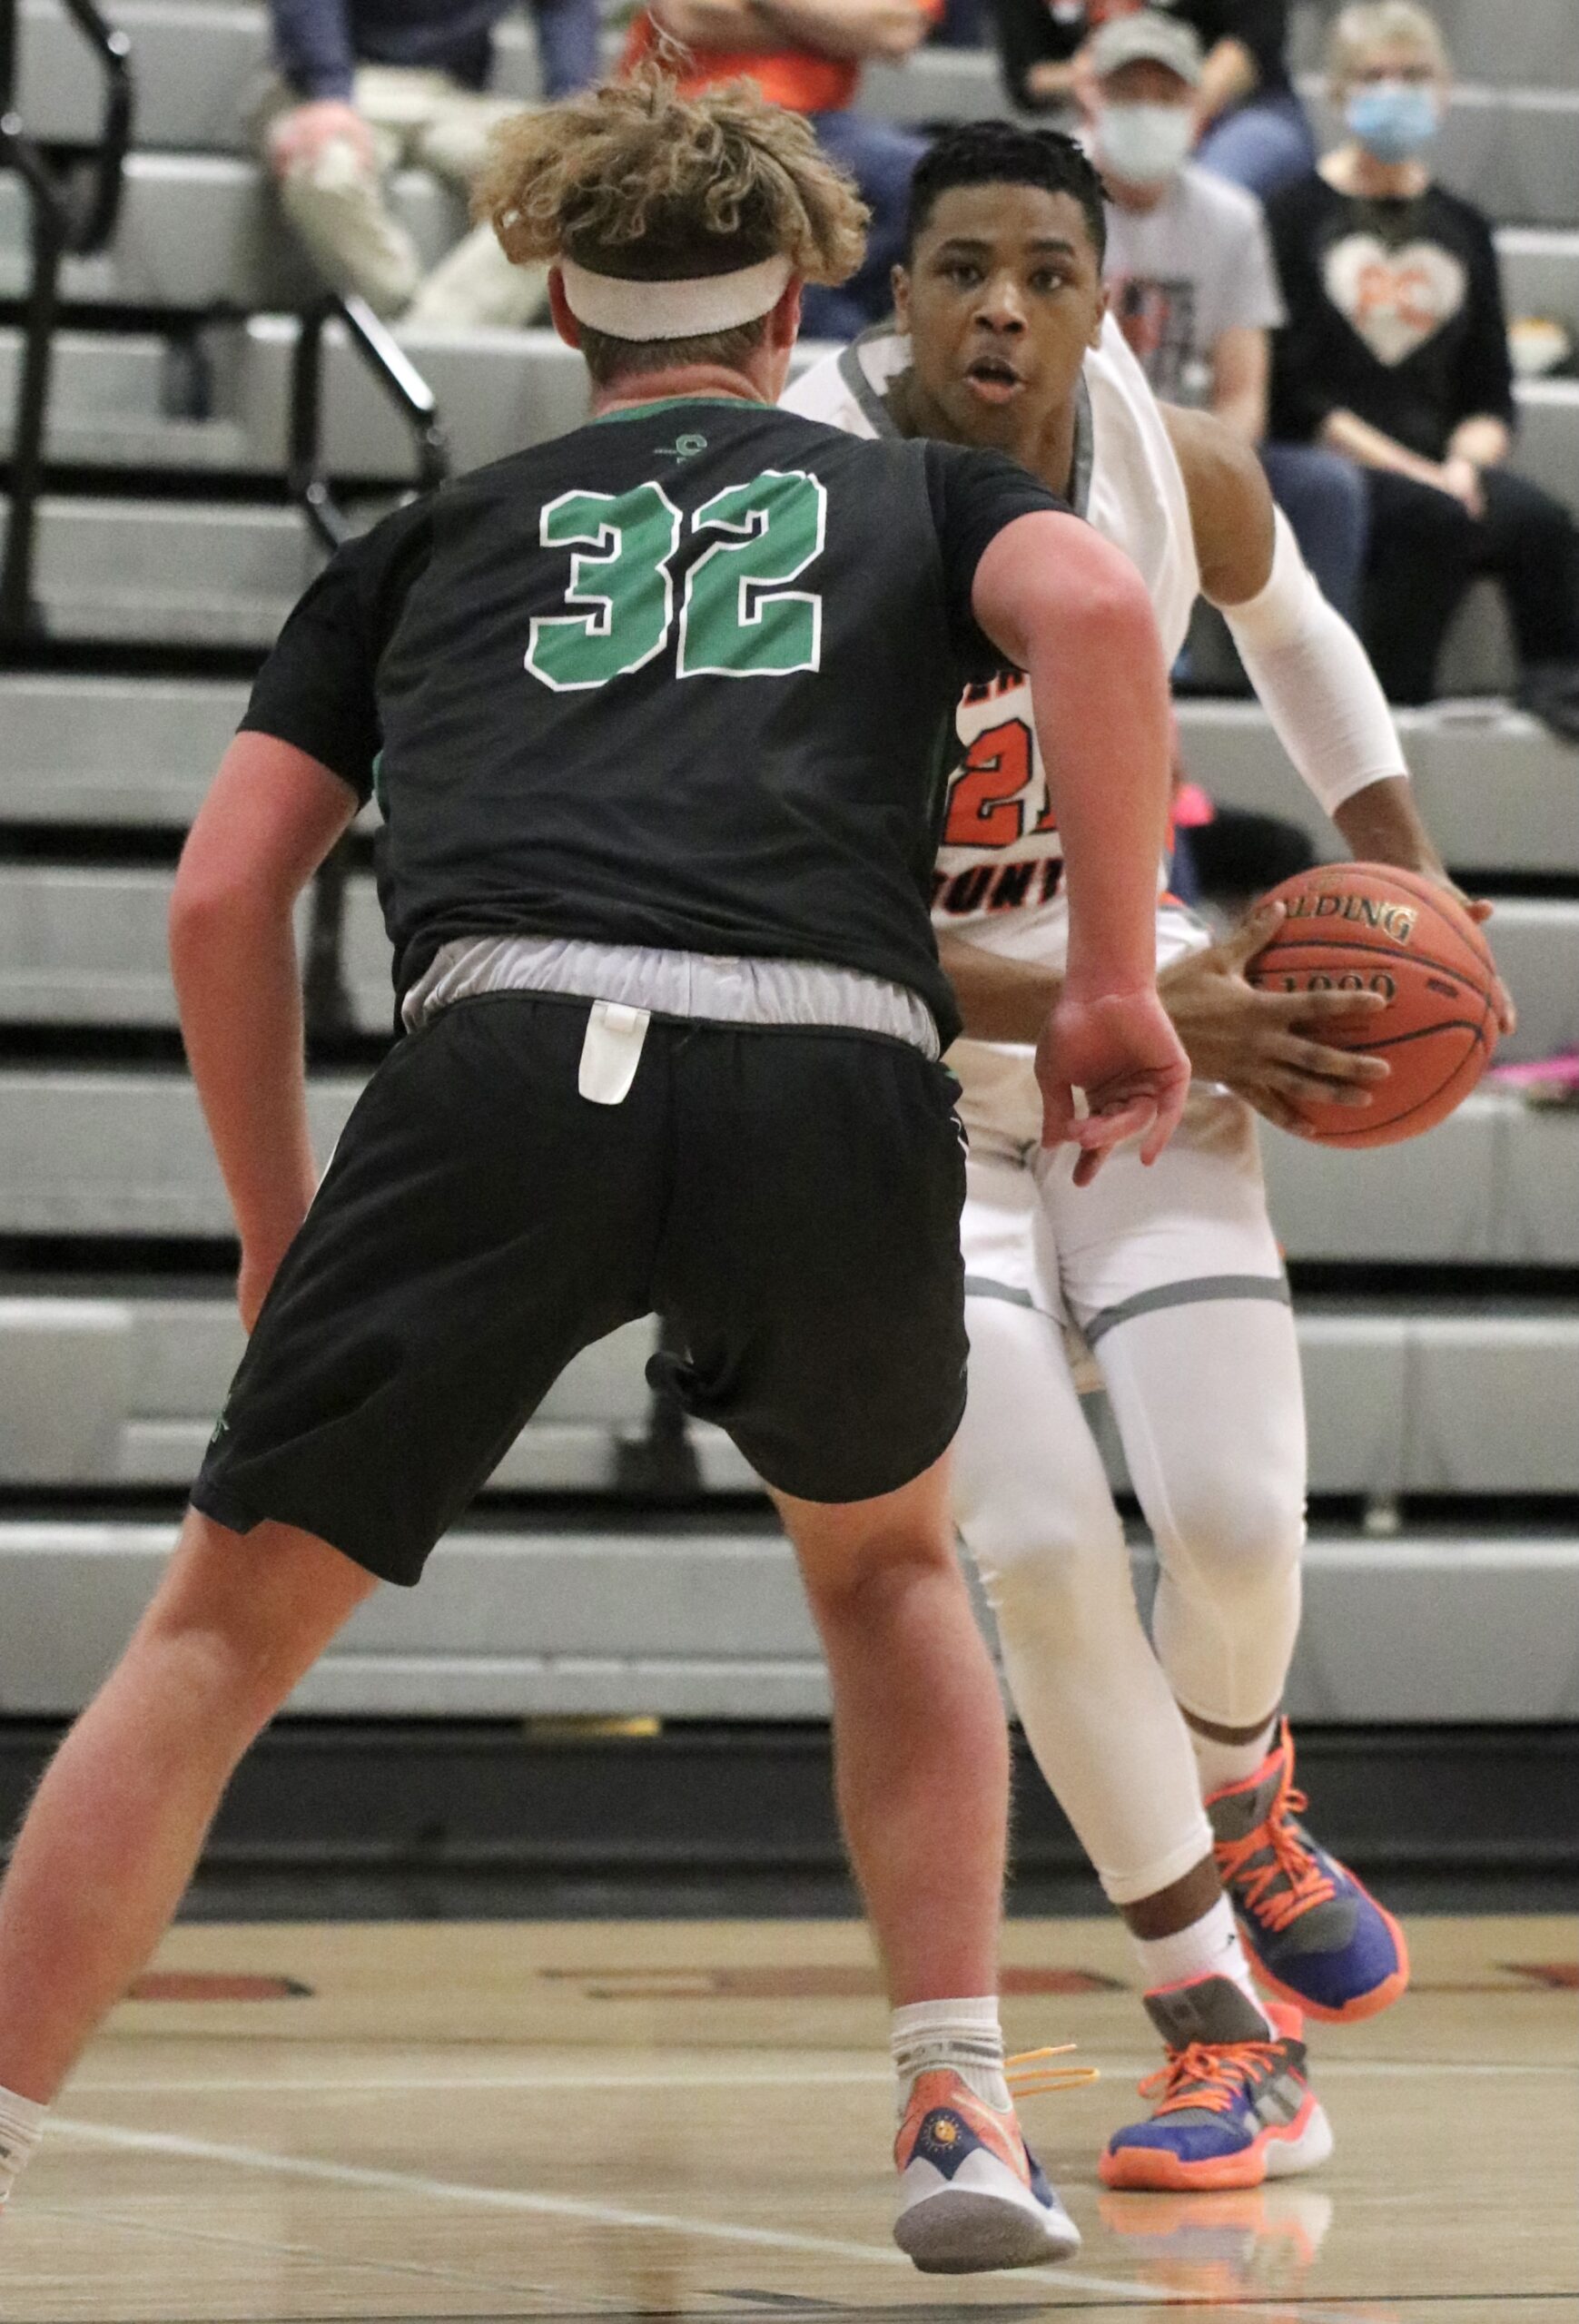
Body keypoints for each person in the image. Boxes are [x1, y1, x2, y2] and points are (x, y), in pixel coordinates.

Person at [0, 74, 1191, 2267]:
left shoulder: (425, 541)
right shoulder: (915, 493)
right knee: (889, 1577)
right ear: (792, 308)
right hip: (829, 1057)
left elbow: (221, 896)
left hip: (508, 1051)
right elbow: (1105, 618)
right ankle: (957, 2102)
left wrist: (278, 1224)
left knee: (215, 1637)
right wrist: (1111, 979)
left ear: (559, 303)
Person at [784, 117, 1511, 2191]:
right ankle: (1218, 2025)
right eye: (960, 269)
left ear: (1103, 302)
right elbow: (799, 916)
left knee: (1232, 1514)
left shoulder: (1161, 460)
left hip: (1134, 1019)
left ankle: (1244, 1784)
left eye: (1047, 272)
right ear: (894, 297)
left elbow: (1297, 629)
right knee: (1027, 1544)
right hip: (903, 1073)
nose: (1002, 307)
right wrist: (1125, 1002)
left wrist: (1404, 868)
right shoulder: (804, 500)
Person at [1265, 0, 1579, 736]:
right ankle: (1388, 713)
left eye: (1411, 76)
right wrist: (1416, 473)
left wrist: (1463, 465)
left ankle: (1557, 695)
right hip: (1336, 463)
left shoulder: (1463, 226)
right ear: (1339, 92)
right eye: (1374, 76)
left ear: (1440, 92)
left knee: (1540, 524)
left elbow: (1488, 394)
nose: (1394, 91)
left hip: (1442, 462)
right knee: (1432, 521)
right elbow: (1296, 398)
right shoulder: (1292, 215)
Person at [1080, 9, 1368, 622]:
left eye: (1165, 96)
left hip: (1183, 450)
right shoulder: (1048, 201)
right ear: (1093, 98)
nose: (1147, 110)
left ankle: (1298, 671)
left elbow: (1242, 398)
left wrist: (1183, 474)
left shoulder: (1231, 219)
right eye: (1129, 93)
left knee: (1325, 489)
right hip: (1072, 444)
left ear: (1196, 107)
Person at [254, 0, 599, 329]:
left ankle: (419, 341)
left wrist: (570, 111)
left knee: (565, 184)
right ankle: (420, 339)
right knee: (326, 171)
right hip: (337, 85)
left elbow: (566, 9)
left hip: (454, 94)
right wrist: (326, 89)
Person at [621, 0, 941, 338]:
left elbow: (896, 31)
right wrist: (833, 29)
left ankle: (804, 323)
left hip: (819, 124)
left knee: (932, 184)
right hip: (690, 111)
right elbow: (689, 15)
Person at [989, 0, 1313, 202]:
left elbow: (1255, 40)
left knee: (1209, 194)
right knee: (1052, 197)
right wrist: (1090, 84)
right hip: (1109, 118)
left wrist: (1172, 121)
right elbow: (1026, 75)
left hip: (1240, 112)